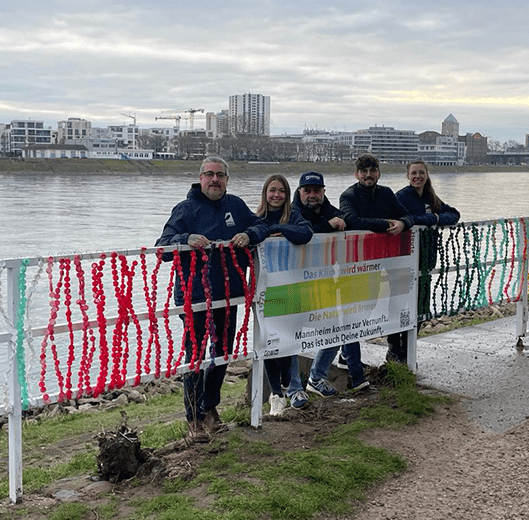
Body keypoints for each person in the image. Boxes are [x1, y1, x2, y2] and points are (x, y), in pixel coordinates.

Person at [155, 157, 268, 440]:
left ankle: (210, 408)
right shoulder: (186, 209)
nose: (215, 180)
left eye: (220, 175)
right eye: (209, 175)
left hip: (228, 296)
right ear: (200, 178)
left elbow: (261, 226)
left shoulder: (236, 206)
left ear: (227, 180)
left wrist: (248, 233)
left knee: (222, 353)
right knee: (195, 355)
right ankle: (193, 418)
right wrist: (186, 238)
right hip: (194, 297)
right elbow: (162, 248)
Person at [292, 171, 370, 397]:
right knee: (289, 331)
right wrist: (327, 226)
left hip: (327, 278)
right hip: (297, 281)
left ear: (324, 192)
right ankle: (290, 389)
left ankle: (318, 376)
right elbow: (299, 231)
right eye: (307, 191)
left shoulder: (331, 211)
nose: (312, 195)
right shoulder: (293, 211)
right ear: (300, 192)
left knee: (338, 324)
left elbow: (347, 224)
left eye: (317, 190)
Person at [339, 153, 414, 363]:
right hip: (362, 261)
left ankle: (393, 347)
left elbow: (406, 215)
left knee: (397, 301)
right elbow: (351, 221)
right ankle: (348, 353)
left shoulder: (387, 193)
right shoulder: (348, 196)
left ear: (379, 173)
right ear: (357, 174)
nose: (368, 175)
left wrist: (403, 224)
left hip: (390, 258)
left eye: (372, 171)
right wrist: (385, 224)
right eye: (364, 171)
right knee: (364, 306)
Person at [254, 174, 313, 415]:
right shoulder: (255, 218)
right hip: (264, 288)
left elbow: (305, 235)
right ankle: (276, 393)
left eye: (281, 191)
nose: (276, 195)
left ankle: (290, 386)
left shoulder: (295, 216)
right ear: (265, 193)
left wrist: (278, 228)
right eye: (272, 190)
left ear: (287, 195)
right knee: (268, 341)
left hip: (289, 285)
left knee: (288, 338)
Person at [396, 159, 460, 325]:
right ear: (407, 176)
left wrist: (436, 218)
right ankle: (396, 347)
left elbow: (454, 214)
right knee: (402, 304)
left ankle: (412, 344)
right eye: (414, 173)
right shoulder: (401, 197)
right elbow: (405, 219)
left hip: (427, 256)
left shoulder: (430, 196)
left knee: (422, 305)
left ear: (427, 174)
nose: (418, 176)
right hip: (406, 257)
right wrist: (430, 219)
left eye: (421, 172)